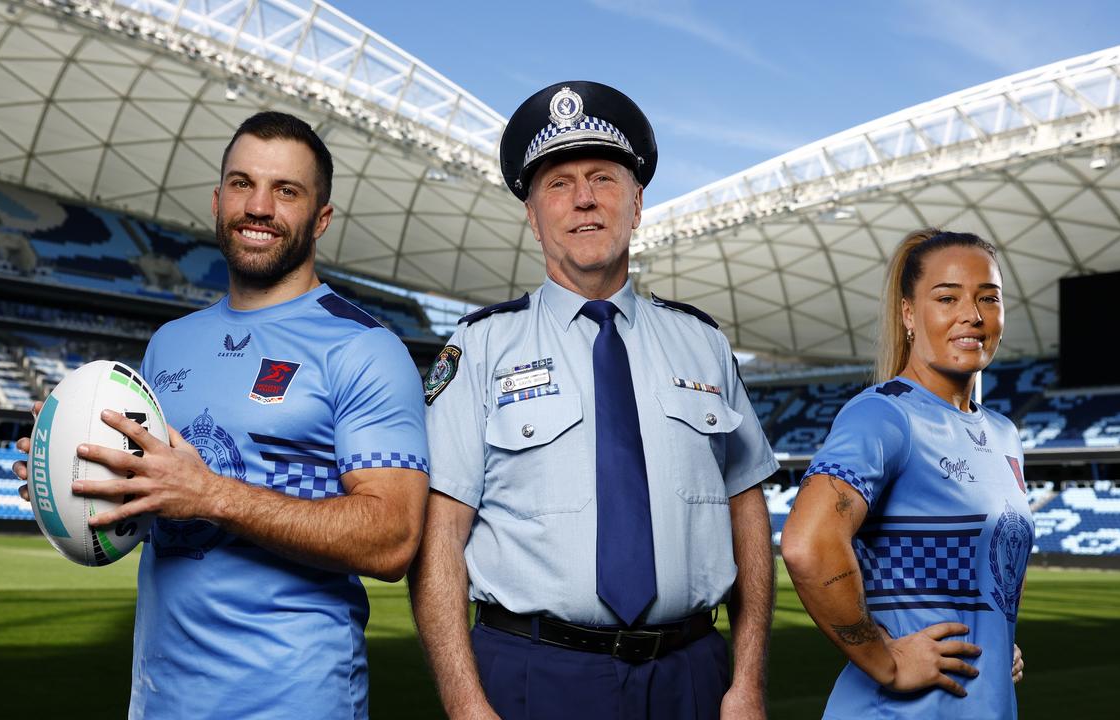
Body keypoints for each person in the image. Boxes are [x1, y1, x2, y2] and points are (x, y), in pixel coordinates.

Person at [12, 111, 430, 718]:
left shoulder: (364, 347)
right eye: (242, 184)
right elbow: (160, 503)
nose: (258, 206)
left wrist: (213, 495)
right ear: (217, 200)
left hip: (293, 702)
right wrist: (71, 474)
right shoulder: (170, 343)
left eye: (286, 191)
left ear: (321, 218)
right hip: (162, 702)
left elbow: (393, 539)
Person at [409, 81, 778, 720]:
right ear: (532, 214)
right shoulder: (480, 346)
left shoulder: (704, 344)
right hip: (532, 673)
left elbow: (747, 515)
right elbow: (441, 539)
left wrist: (746, 681)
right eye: (558, 183)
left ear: (636, 204)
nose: (584, 199)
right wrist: (467, 705)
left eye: (603, 178)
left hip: (691, 674)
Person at [781, 229, 1031, 719]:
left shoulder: (1004, 434)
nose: (972, 315)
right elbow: (807, 543)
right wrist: (885, 659)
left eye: (989, 298)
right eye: (947, 297)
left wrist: (999, 643)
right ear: (909, 314)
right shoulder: (884, 415)